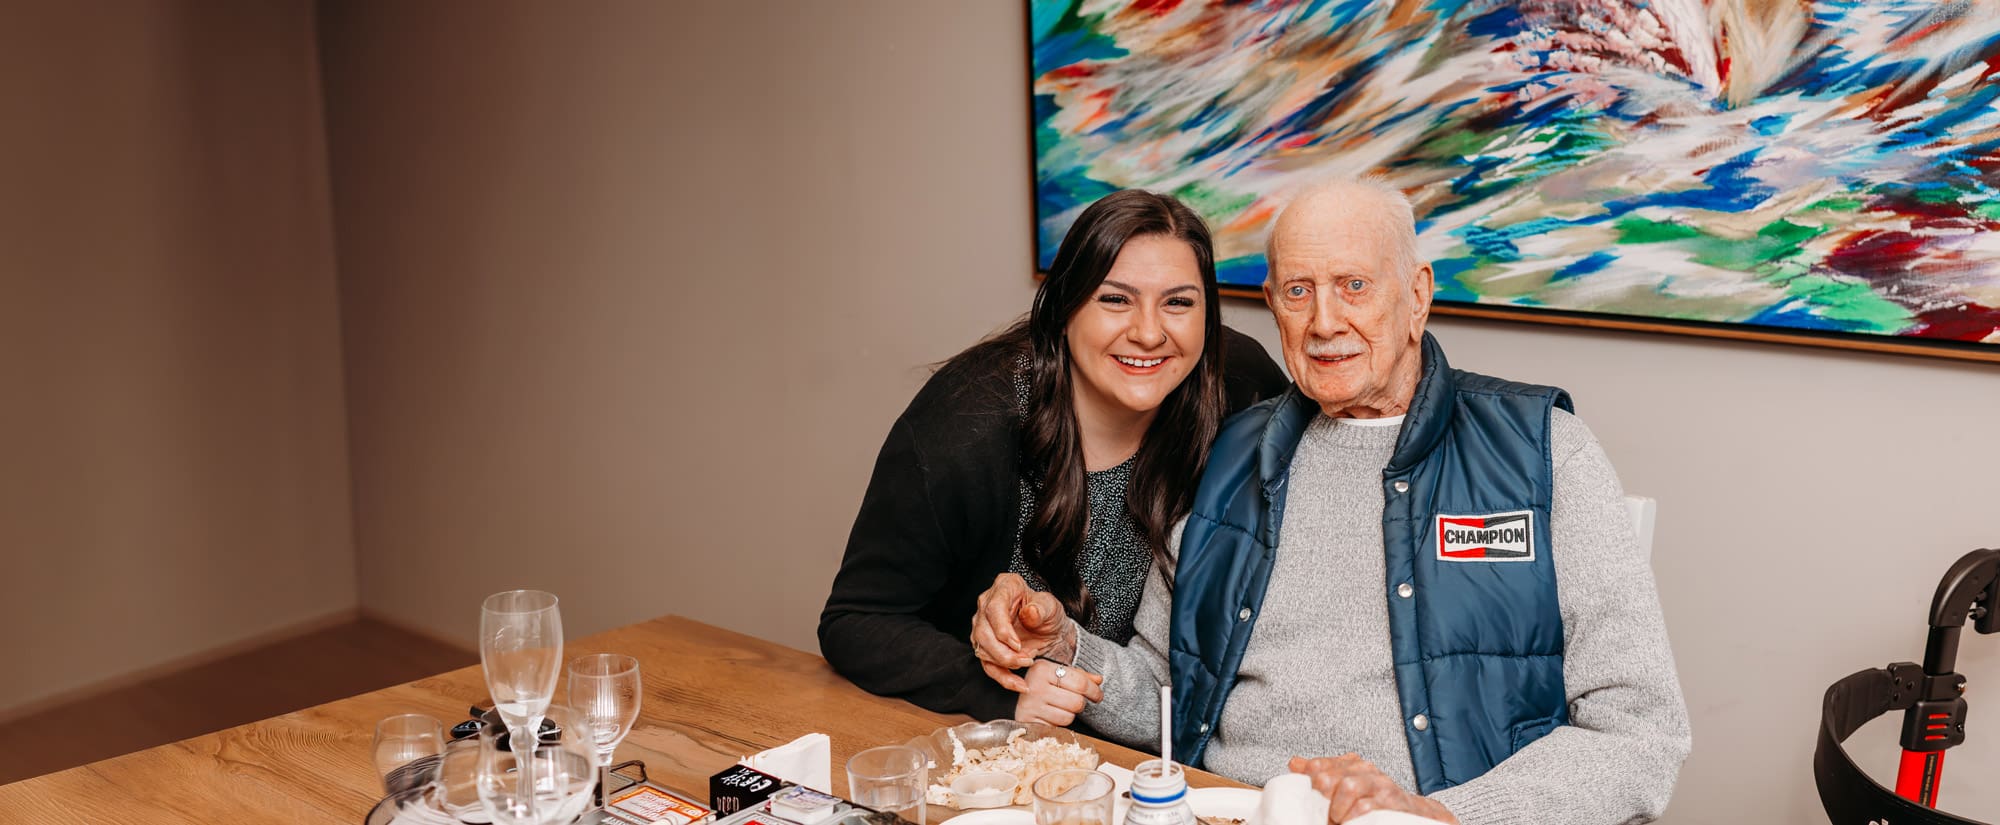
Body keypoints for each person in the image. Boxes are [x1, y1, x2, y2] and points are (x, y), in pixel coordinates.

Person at [971, 178, 1690, 824]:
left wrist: (1442, 815)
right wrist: (1065, 645)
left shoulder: (1543, 451)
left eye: (1353, 285)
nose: (1323, 322)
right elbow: (1166, 685)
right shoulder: (1229, 455)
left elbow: (1639, 733)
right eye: (1297, 290)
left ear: (1418, 295)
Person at [819, 190, 1291, 724]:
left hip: (1150, 737)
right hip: (993, 747)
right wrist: (1000, 695)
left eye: (1178, 302)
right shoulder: (967, 426)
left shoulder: (1238, 386)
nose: (1149, 332)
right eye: (1115, 299)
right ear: (1064, 308)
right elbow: (856, 620)